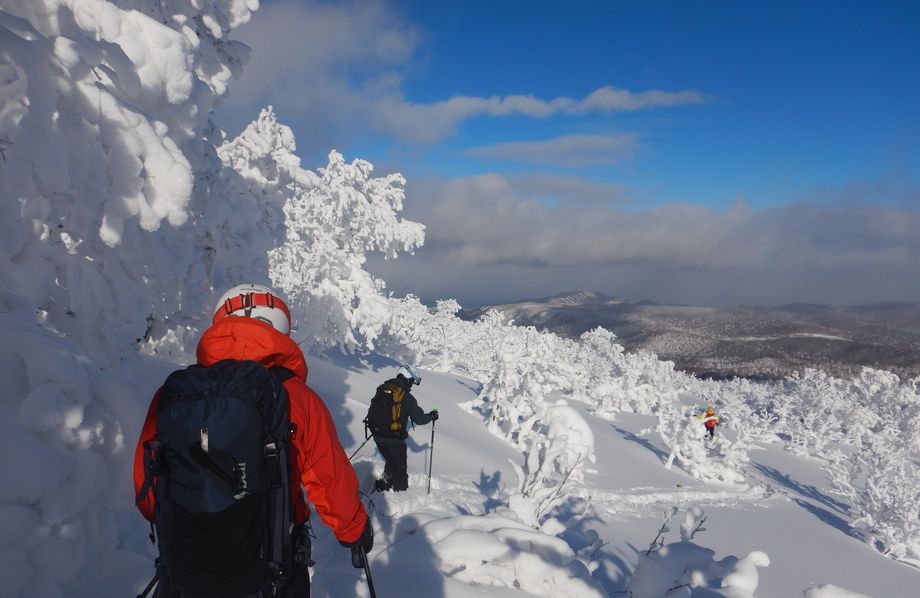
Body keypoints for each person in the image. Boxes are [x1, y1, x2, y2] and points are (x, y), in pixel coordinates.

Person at [134, 284, 372, 597]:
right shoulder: (295, 396)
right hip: (272, 571)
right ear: (281, 329)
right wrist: (354, 531)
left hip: (184, 569)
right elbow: (329, 479)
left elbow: (146, 492)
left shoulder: (173, 394)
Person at [366, 365, 438, 492]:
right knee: (400, 469)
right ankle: (400, 495)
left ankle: (383, 487)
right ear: (408, 378)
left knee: (391, 461)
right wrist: (431, 416)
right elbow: (419, 419)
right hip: (394, 438)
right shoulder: (405, 396)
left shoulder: (383, 388)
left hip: (377, 435)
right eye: (412, 382)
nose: (411, 385)